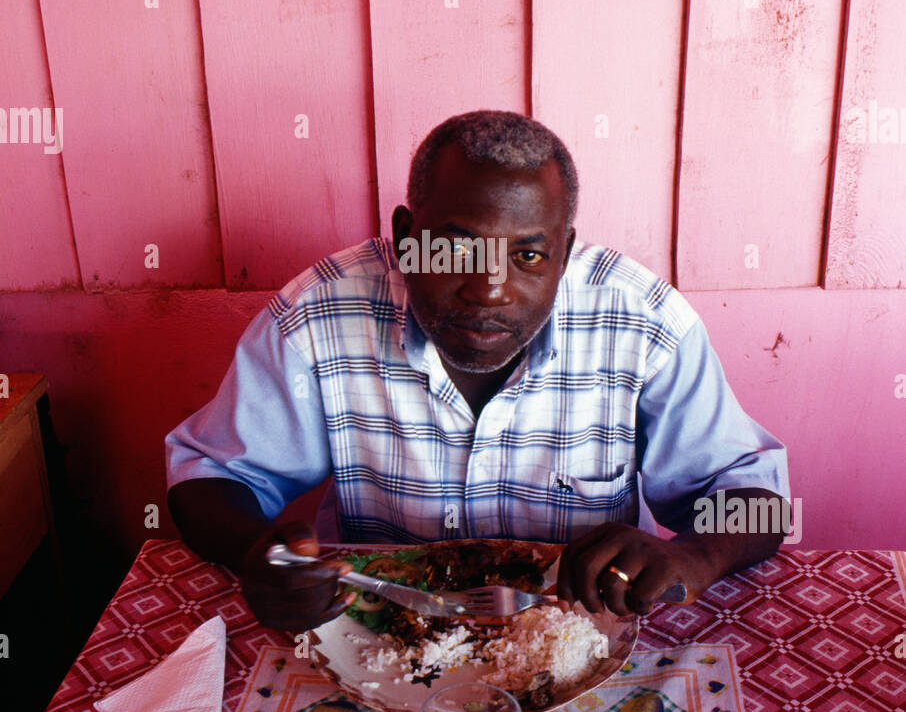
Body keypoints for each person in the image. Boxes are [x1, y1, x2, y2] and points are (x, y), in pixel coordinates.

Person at [166, 110, 790, 631]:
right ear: (407, 236)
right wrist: (259, 554)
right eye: (458, 248)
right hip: (378, 637)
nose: (491, 290)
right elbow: (210, 473)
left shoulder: (643, 324)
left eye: (528, 255)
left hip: (577, 640)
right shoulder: (318, 318)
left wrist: (694, 556)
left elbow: (759, 498)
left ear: (565, 253)